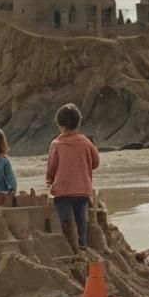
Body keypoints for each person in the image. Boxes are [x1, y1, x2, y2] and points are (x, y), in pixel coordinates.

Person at [45, 103, 100, 251]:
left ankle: (70, 248)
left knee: (66, 222)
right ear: (78, 122)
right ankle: (82, 246)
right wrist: (84, 167)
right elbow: (96, 162)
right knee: (81, 221)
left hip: (62, 191)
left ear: (59, 124)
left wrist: (49, 181)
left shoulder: (56, 144)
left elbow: (52, 166)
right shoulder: (86, 142)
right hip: (82, 190)